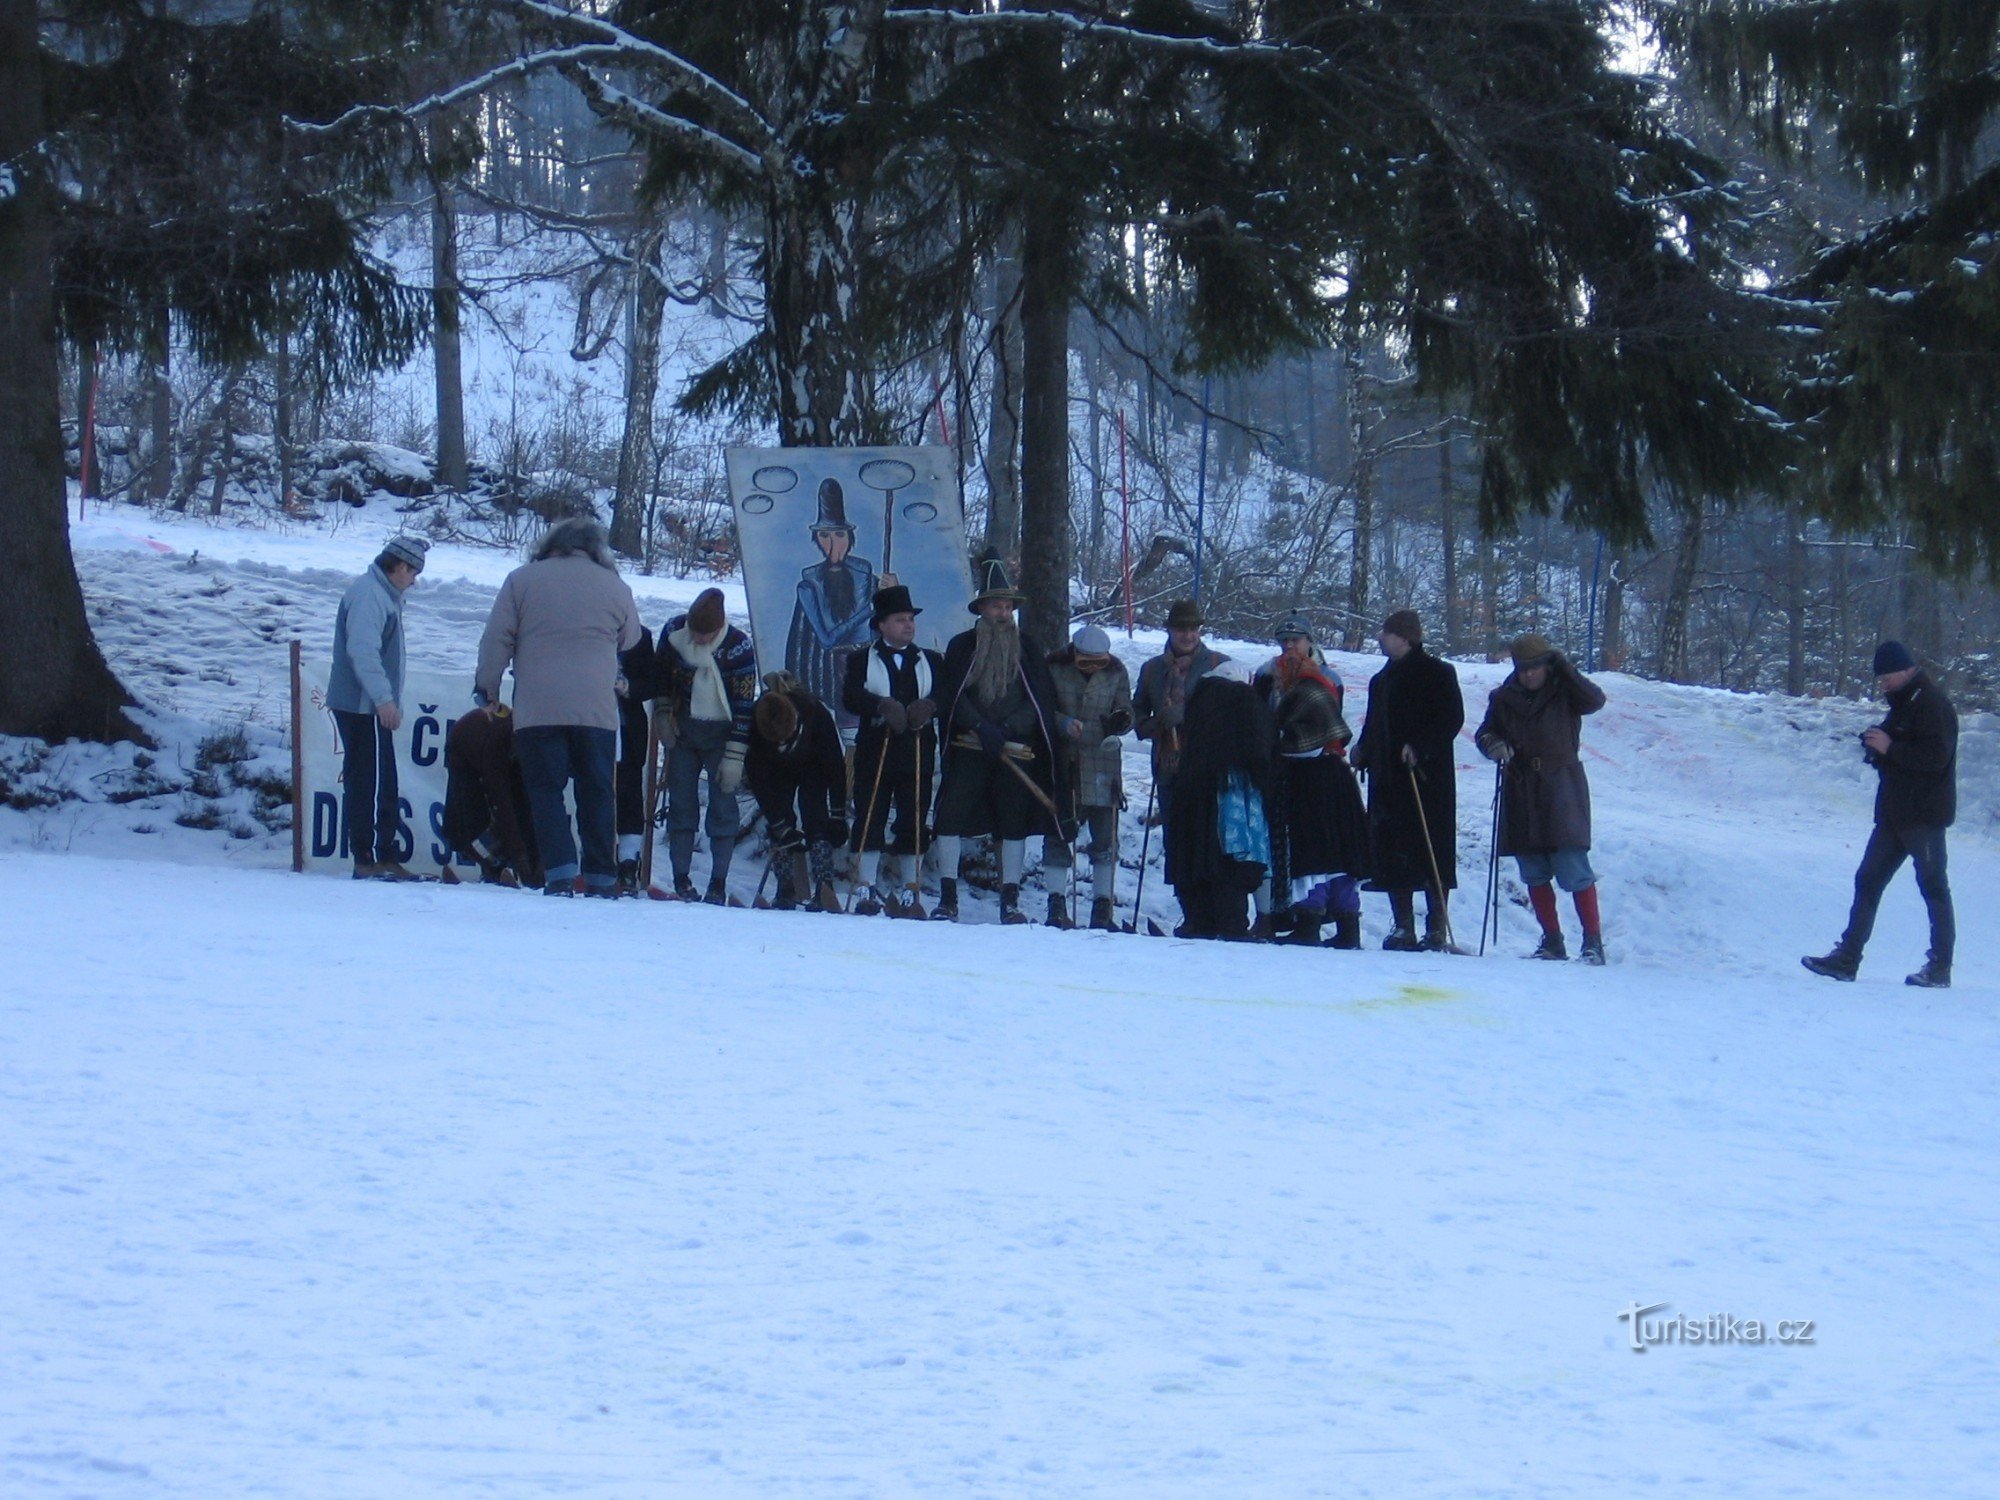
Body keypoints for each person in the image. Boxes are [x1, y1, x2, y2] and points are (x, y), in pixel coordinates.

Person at [474, 518, 641, 896]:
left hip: (539, 707)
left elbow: (496, 639)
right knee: (596, 791)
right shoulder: (615, 586)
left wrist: (487, 689)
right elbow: (630, 638)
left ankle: (561, 873)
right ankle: (601, 875)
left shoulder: (521, 580)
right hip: (596, 709)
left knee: (546, 790)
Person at [1803, 641, 1958, 988]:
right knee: (1868, 881)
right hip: (1893, 815)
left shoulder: (1933, 704)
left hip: (1924, 817)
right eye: (1880, 678)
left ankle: (1939, 968)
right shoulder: (1904, 704)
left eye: (1887, 676)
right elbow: (1904, 752)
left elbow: (1935, 758)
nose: (1883, 683)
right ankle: (1846, 958)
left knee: (1933, 887)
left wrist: (1890, 747)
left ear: (1906, 669)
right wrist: (1878, 749)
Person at [930, 553, 1065, 924]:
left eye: (1007, 607)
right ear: (982, 608)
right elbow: (952, 695)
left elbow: (1038, 699)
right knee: (950, 816)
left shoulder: (1029, 648)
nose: (1003, 614)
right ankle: (948, 897)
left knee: (1013, 822)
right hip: (969, 747)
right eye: (996, 606)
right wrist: (978, 726)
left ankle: (1010, 900)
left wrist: (1006, 729)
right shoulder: (962, 646)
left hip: (1014, 748)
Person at [1475, 633, 1609, 963]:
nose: (1529, 674)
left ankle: (1593, 942)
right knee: (1533, 869)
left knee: (1572, 866)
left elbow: (1594, 701)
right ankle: (1552, 940)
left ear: (1547, 666)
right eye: (1523, 669)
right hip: (1521, 788)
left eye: (1535, 668)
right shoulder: (1504, 698)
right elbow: (1485, 732)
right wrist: (1493, 744)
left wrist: (1564, 665)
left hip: (1562, 785)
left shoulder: (1566, 692)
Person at [1252, 619, 1369, 948]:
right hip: (1313, 775)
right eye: (1284, 641)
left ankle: (1313, 923)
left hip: (1315, 774)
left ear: (1309, 640)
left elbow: (1320, 732)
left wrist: (1282, 742)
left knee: (1316, 850)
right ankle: (1341, 927)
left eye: (1295, 640)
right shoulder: (1269, 675)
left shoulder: (1318, 682)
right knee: (1333, 851)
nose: (1289, 647)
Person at [1353, 608, 1465, 950]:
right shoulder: (1381, 679)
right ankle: (1403, 926)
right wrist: (1364, 750)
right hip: (1388, 780)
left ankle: (1436, 927)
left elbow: (1451, 718)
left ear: (1404, 637)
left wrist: (1421, 746)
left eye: (1386, 633)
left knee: (1432, 850)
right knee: (1392, 851)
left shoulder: (1438, 673)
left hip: (1426, 779)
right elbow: (1375, 723)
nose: (1380, 639)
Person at [326, 535, 428, 880]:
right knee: (368, 780)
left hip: (365, 704)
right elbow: (363, 651)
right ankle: (369, 857)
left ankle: (379, 855)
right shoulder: (371, 595)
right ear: (399, 566)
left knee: (379, 778)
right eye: (413, 572)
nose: (414, 581)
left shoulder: (381, 593)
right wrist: (384, 700)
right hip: (362, 706)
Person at [842, 583, 945, 917]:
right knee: (870, 813)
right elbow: (849, 697)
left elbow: (946, 695)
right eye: (900, 619)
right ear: (882, 625)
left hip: (917, 749)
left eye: (910, 619)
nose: (908, 625)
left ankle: (910, 888)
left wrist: (929, 705)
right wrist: (881, 704)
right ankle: (864, 885)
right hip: (876, 747)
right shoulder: (861, 659)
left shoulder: (930, 660)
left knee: (914, 816)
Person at [655, 587, 758, 903]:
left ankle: (719, 881)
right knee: (682, 803)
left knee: (723, 808)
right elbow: (660, 674)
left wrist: (735, 756)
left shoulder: (738, 647)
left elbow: (743, 705)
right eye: (694, 632)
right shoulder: (674, 631)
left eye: (705, 634)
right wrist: (661, 712)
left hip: (722, 735)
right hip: (683, 730)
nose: (697, 639)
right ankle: (681, 877)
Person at [1165, 660, 1276, 940]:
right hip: (1234, 791)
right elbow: (1260, 750)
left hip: (1194, 787)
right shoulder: (1248, 701)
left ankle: (1198, 920)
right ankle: (1232, 923)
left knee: (1197, 853)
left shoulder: (1201, 697)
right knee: (1231, 856)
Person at [1045, 624, 1134, 930]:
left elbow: (1126, 707)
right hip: (1065, 761)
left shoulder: (1116, 673)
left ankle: (1102, 904)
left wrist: (1121, 719)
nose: (1094, 667)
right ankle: (1056, 901)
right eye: (1087, 661)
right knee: (1059, 831)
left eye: (1100, 661)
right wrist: (1063, 722)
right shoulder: (1054, 669)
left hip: (1103, 760)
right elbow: (1044, 709)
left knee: (1105, 836)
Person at [746, 672, 848, 912]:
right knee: (780, 824)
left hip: (813, 764)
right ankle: (786, 887)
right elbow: (760, 782)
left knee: (816, 819)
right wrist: (781, 825)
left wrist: (838, 814)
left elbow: (835, 768)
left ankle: (824, 886)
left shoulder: (815, 712)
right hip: (775, 769)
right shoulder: (756, 725)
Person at [785, 478, 876, 726]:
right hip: (840, 667)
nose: (834, 545)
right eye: (825, 535)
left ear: (849, 537)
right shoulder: (809, 584)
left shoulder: (865, 575)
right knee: (848, 730)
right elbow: (827, 639)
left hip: (874, 665)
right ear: (817, 539)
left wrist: (893, 595)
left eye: (839, 534)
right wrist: (865, 613)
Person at [439, 701, 540, 888]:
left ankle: (529, 873)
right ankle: (492, 869)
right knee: (474, 813)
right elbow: (500, 802)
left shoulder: (532, 747)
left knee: (526, 810)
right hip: (464, 747)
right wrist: (519, 855)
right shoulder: (496, 745)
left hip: (499, 748)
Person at [1133, 599, 1230, 788]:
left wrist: (1187, 715)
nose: (1188, 636)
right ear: (1169, 630)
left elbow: (1233, 715)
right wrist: (1158, 723)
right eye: (1181, 629)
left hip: (1209, 767)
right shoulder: (1152, 669)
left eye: (1193, 629)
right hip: (1166, 766)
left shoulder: (1220, 665)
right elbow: (1137, 710)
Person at [612, 625, 661, 895]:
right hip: (590, 725)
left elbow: (651, 682)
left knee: (630, 794)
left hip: (628, 728)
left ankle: (628, 863)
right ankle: (595, 860)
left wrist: (627, 687)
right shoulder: (582, 627)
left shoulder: (639, 636)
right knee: (594, 792)